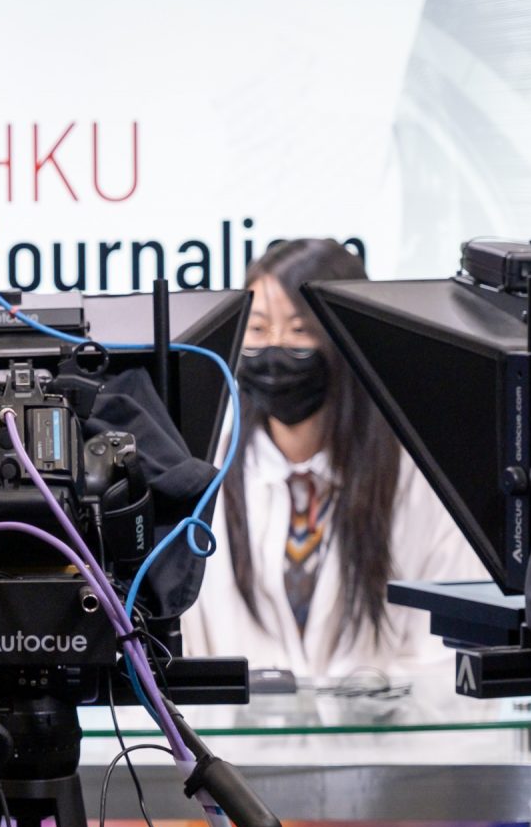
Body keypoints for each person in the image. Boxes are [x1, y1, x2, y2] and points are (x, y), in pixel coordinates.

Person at [182, 238, 480, 688]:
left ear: (346, 338)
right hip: (238, 733)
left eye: (299, 330)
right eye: (258, 329)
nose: (275, 349)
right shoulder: (206, 474)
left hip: (388, 730)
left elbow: (450, 648)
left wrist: (367, 698)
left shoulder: (420, 479)